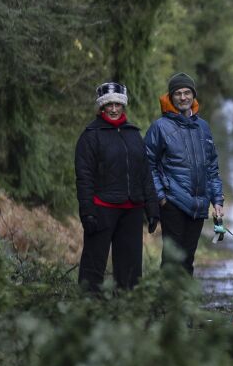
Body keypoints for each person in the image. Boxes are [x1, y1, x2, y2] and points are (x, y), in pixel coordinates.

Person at [75, 80, 159, 294]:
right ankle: (88, 308)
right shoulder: (90, 136)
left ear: (123, 106)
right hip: (102, 208)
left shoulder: (133, 134)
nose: (113, 109)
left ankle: (127, 310)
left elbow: (145, 173)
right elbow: (84, 178)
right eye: (109, 105)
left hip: (132, 210)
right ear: (102, 107)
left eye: (117, 104)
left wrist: (152, 208)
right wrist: (88, 213)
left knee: (130, 268)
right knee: (93, 265)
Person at [145, 71, 224, 274]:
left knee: (188, 259)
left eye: (187, 92)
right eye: (178, 93)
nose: (183, 97)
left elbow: (212, 167)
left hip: (199, 204)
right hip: (173, 203)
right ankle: (168, 304)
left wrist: (217, 200)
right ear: (171, 97)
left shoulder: (203, 127)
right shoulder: (160, 127)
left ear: (193, 95)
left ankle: (183, 304)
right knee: (172, 260)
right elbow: (148, 163)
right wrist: (161, 197)